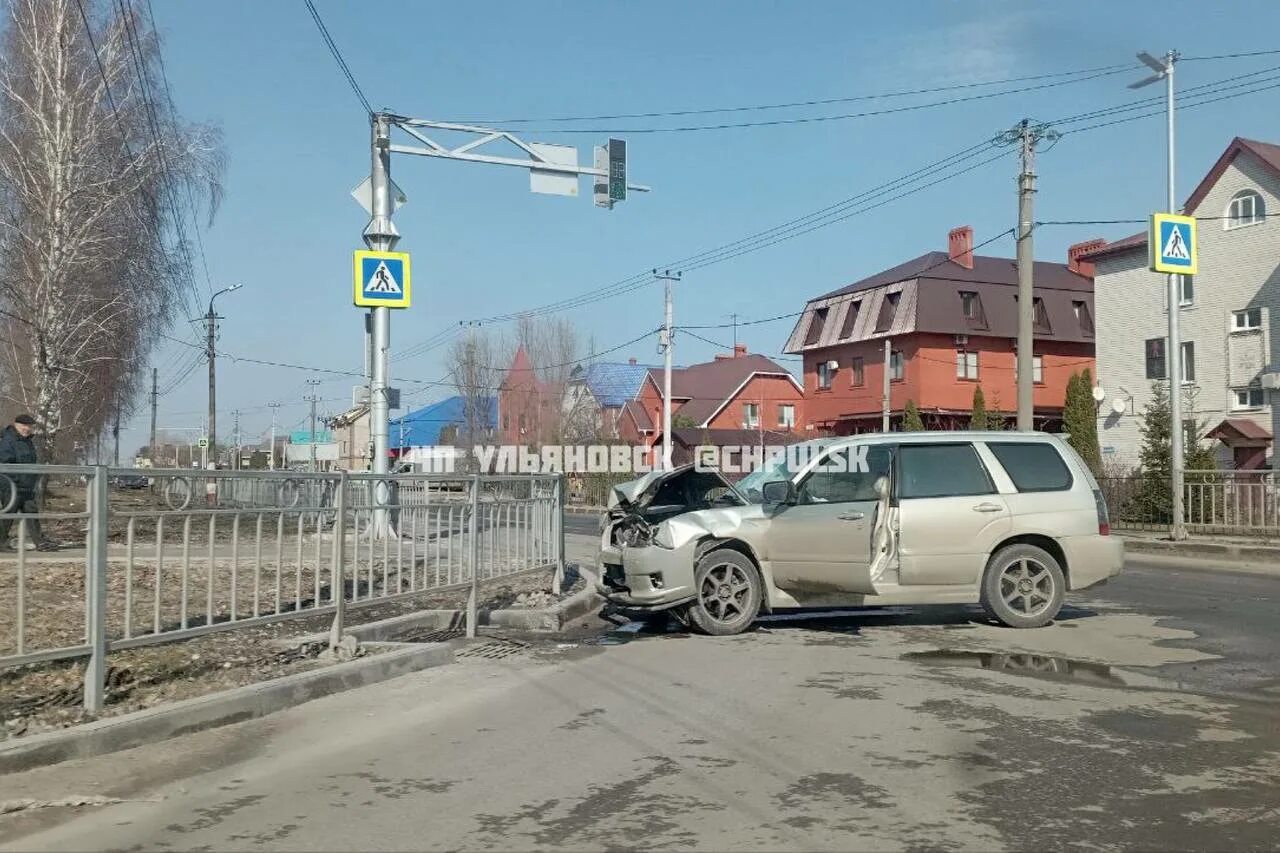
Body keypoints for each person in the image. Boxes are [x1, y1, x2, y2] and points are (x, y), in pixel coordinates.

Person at [0, 414, 57, 551]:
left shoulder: (27, 441)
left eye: (30, 426)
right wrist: (12, 483)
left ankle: (40, 542)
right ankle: (1, 542)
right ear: (16, 425)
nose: (28, 429)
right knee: (8, 515)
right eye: (25, 426)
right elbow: (4, 463)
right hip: (12, 486)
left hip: (26, 486)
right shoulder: (8, 440)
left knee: (31, 513)